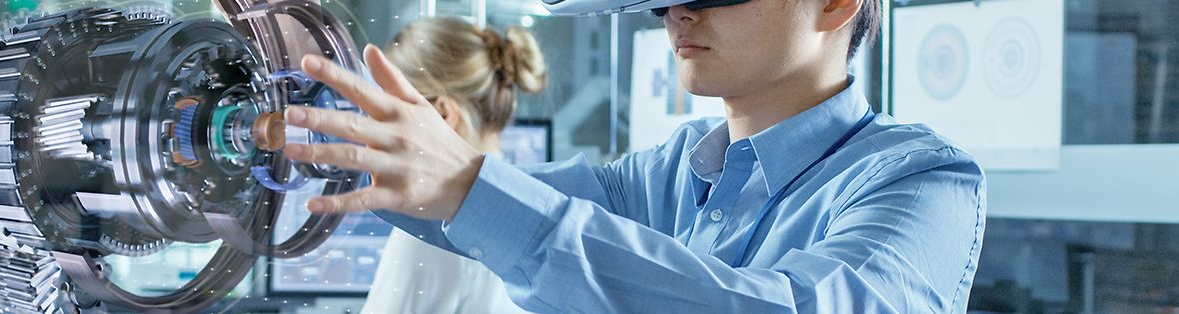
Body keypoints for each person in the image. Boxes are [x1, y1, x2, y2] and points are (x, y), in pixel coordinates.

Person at [282, 0, 985, 312]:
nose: (678, 12)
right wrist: (296, 141)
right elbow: (475, 204)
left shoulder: (919, 182)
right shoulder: (673, 171)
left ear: (835, 4)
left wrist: (466, 184)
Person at [360, 18, 546, 314]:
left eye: (390, 113)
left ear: (445, 113)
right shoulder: (534, 204)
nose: (379, 129)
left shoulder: (435, 230)